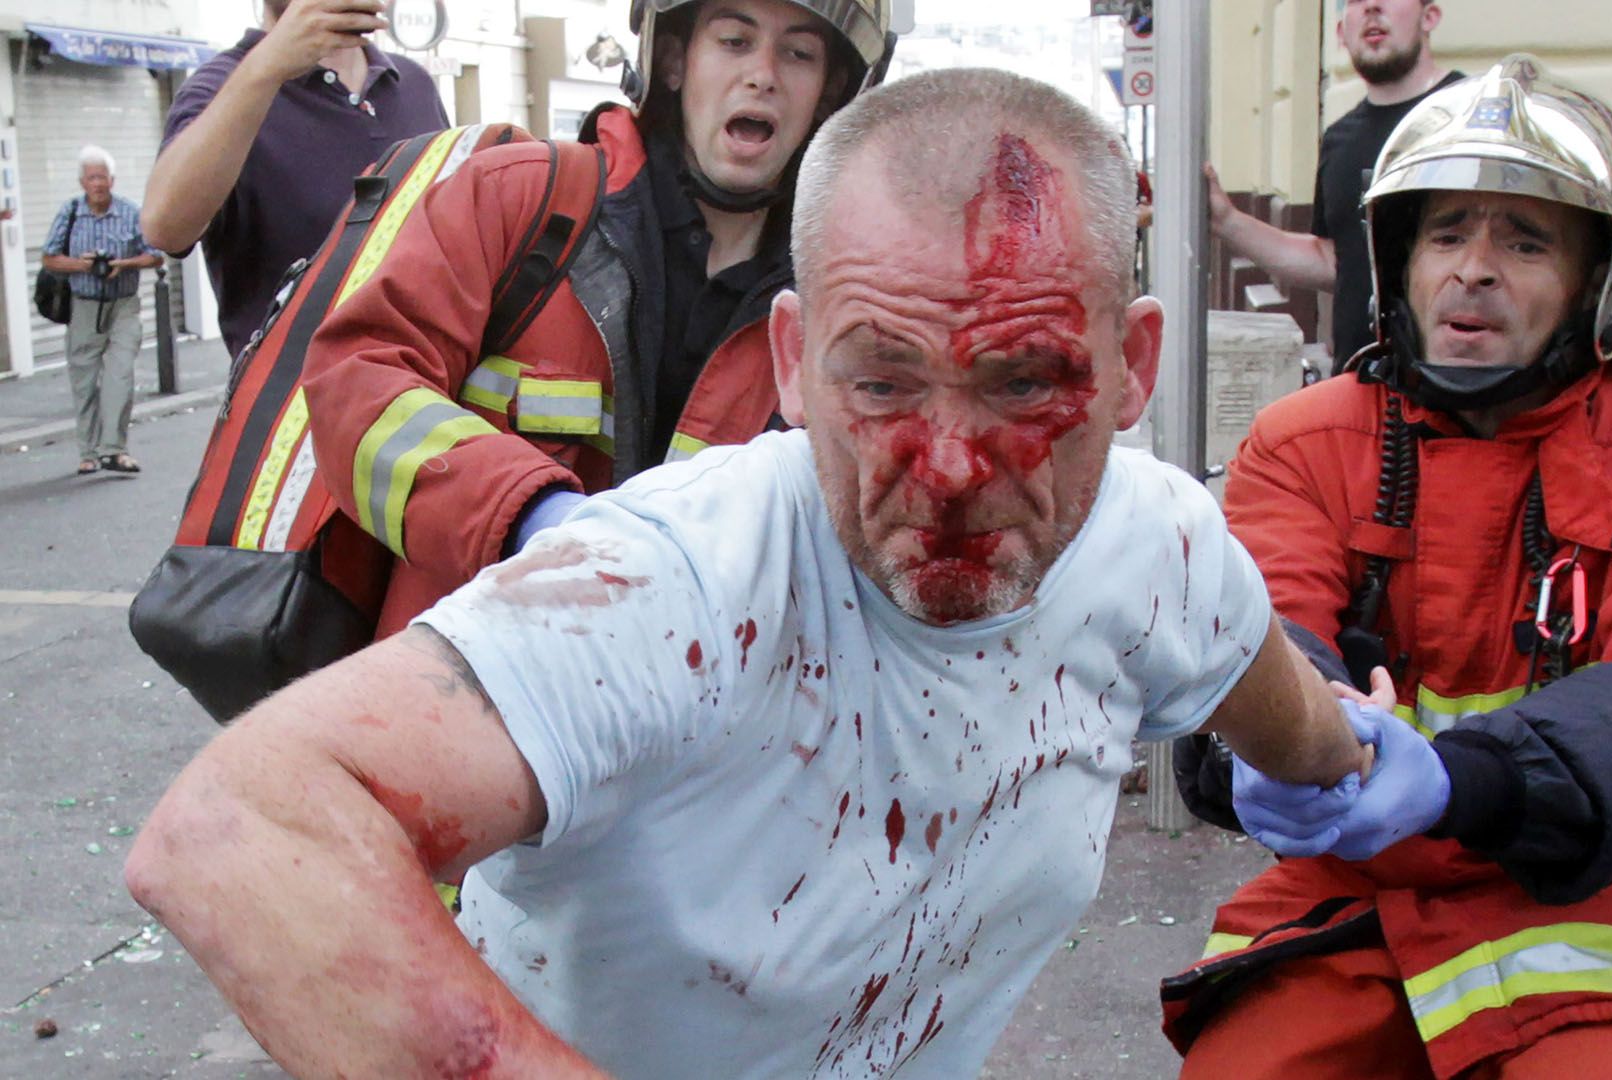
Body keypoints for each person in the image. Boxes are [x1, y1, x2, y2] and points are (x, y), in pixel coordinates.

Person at [125, 67, 1374, 1078]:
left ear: (1135, 367)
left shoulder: (1160, 545)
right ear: (791, 361)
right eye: (880, 380)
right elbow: (240, 832)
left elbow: (1289, 715)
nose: (948, 468)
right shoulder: (677, 585)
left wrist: (1363, 762)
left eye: (1024, 382)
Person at [1162, 56, 1612, 1079]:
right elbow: (1260, 625)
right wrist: (1264, 743)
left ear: (1598, 278)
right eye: (1447, 232)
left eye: (1526, 240)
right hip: (1355, 889)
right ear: (1399, 259)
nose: (1475, 268)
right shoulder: (1303, 440)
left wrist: (1461, 781)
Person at [296, 0, 891, 640]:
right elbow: (355, 383)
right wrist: (527, 514)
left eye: (798, 53)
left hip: (679, 690)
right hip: (463, 671)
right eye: (733, 41)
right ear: (672, 61)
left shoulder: (841, 306)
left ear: (830, 92)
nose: (763, 75)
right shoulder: (516, 198)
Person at [143, 0, 448, 358]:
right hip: (299, 389)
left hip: (430, 380)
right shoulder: (224, 86)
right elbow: (164, 229)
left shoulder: (415, 83)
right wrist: (266, 68)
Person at [1204, 0, 1461, 367]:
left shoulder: (1469, 118)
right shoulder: (1340, 140)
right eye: (1355, 0)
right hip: (1360, 380)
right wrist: (1227, 221)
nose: (1372, 7)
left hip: (1456, 386)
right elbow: (1333, 260)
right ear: (1341, 33)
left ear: (1429, 16)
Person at [42, 146, 164, 476]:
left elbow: (155, 255)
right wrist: (82, 265)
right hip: (84, 306)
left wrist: (124, 263)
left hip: (123, 305)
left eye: (103, 177)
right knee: (84, 381)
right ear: (82, 182)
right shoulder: (70, 212)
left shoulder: (130, 212)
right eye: (92, 177)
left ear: (113, 180)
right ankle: (88, 453)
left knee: (120, 376)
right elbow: (49, 258)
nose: (98, 183)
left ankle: (115, 450)